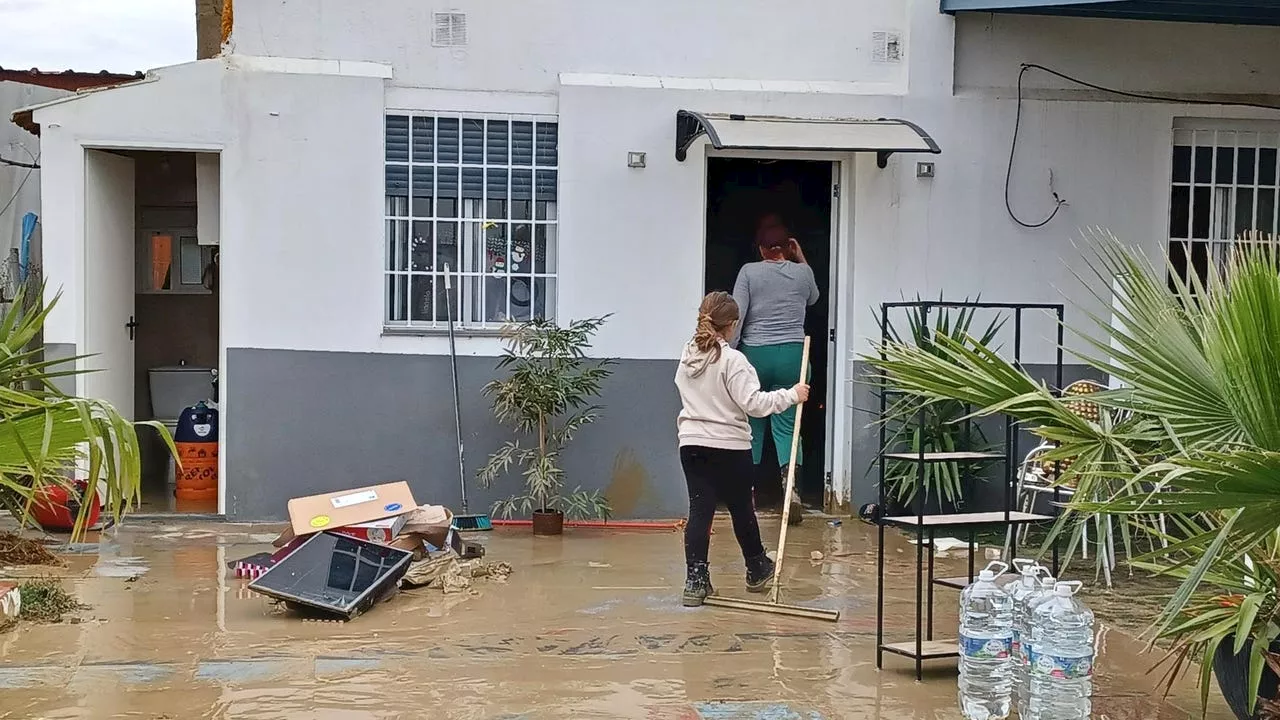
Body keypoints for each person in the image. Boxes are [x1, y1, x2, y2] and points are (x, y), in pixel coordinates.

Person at [675, 291, 810, 607]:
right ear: (732, 325)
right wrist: (793, 394)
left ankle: (695, 582)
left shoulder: (688, 355)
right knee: (741, 509)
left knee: (700, 511)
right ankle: (756, 568)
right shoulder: (733, 361)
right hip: (730, 447)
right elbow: (754, 404)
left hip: (692, 444)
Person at [732, 212, 820, 526]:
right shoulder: (803, 274)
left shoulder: (749, 272)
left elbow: (737, 315)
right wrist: (800, 257)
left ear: (760, 248)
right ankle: (791, 489)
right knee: (787, 425)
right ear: (787, 246)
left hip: (755, 354)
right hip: (794, 355)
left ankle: (747, 494)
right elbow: (813, 298)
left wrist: (729, 353)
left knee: (751, 423)